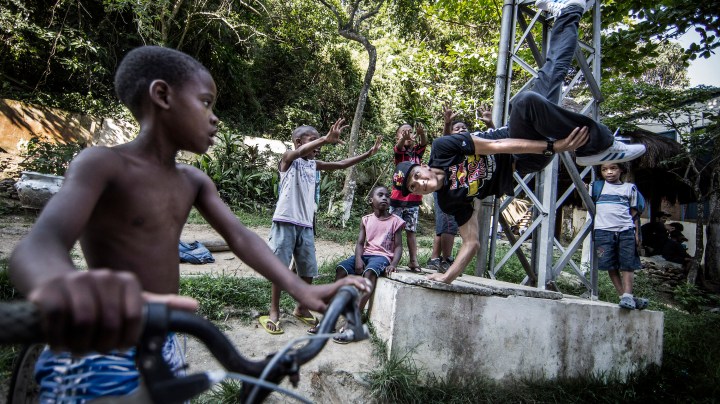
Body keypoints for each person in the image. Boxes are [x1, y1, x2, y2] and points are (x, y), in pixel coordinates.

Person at [8, 46, 372, 402]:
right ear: (162, 95)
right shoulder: (102, 164)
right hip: (101, 338)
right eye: (205, 102)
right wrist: (62, 285)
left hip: (166, 335)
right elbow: (40, 244)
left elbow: (241, 236)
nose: (214, 117)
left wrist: (301, 289)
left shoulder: (193, 181)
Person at [392, 0, 646, 284]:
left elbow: (498, 145)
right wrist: (445, 279)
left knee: (553, 71)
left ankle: (569, 12)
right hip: (526, 158)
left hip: (516, 137)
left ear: (422, 168)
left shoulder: (442, 149)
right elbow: (472, 243)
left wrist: (554, 146)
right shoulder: (449, 200)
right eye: (414, 187)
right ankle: (600, 143)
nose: (420, 184)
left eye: (417, 176)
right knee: (525, 100)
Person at [261, 120, 382, 335]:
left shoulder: (313, 165)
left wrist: (368, 154)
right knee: (279, 270)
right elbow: (293, 154)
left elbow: (341, 164)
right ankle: (274, 311)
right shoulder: (288, 161)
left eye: (320, 141)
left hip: (305, 225)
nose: (318, 146)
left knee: (307, 270)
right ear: (299, 142)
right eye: (313, 140)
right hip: (285, 222)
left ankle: (301, 307)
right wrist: (325, 138)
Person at [427, 104, 497, 273]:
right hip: (450, 194)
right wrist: (447, 124)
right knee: (446, 225)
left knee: (448, 226)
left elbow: (497, 141)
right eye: (456, 128)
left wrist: (490, 124)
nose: (460, 130)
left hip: (469, 193)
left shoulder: (474, 147)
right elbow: (445, 142)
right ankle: (443, 259)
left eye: (463, 128)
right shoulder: (447, 151)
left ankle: (442, 259)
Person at [332, 185, 405, 343]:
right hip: (365, 254)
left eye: (387, 195)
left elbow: (399, 246)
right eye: (380, 195)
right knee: (341, 269)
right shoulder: (366, 219)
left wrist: (393, 263)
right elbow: (360, 243)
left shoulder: (396, 221)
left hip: (382, 256)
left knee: (370, 273)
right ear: (371, 200)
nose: (385, 197)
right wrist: (358, 259)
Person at [592, 162, 648, 310]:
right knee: (610, 264)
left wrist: (635, 233)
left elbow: (635, 211)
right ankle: (624, 296)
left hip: (625, 230)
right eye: (604, 169)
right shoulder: (597, 187)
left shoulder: (629, 188)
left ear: (621, 169)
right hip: (603, 231)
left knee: (627, 263)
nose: (609, 172)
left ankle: (628, 295)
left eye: (613, 168)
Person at [389, 122, 427, 272]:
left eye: (410, 132)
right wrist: (402, 140)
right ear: (397, 137)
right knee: (394, 231)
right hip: (397, 199)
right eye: (403, 132)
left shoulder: (417, 153)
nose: (407, 134)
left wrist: (422, 133)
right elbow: (398, 147)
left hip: (413, 201)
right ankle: (391, 260)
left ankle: (413, 261)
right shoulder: (400, 153)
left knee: (411, 231)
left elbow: (424, 142)